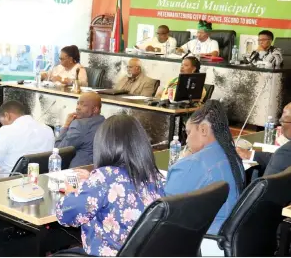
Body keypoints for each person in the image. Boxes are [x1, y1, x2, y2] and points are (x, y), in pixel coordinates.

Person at [56, 114, 166, 256]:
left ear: (104, 145)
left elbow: (64, 214)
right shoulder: (156, 177)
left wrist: (72, 191)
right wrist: (92, 180)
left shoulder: (104, 177)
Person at [165, 100, 245, 256]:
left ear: (203, 129)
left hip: (202, 244)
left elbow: (165, 215)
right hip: (229, 241)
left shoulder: (191, 165)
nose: (186, 141)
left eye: (188, 133)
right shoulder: (233, 157)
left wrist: (184, 161)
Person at [0, 100, 54, 176]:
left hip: (10, 187)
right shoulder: (47, 130)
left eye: (3, 123)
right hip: (39, 186)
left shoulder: (6, 131)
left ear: (7, 116)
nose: (3, 126)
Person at [55, 92, 105, 167]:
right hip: (98, 171)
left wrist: (66, 125)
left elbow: (59, 152)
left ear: (95, 110)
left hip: (78, 173)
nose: (78, 107)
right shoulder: (105, 122)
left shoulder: (79, 125)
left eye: (83, 105)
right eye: (78, 103)